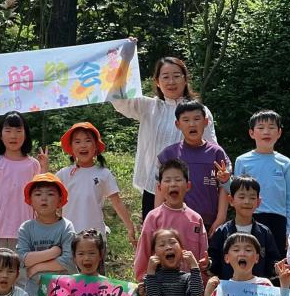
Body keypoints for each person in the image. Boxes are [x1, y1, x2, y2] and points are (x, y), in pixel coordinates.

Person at [110, 57, 217, 222]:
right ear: (157, 82)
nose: (171, 82)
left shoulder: (199, 111)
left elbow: (210, 149)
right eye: (165, 77)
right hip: (154, 187)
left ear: (185, 79)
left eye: (176, 76)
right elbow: (119, 99)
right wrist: (125, 57)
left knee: (186, 235)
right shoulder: (148, 106)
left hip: (188, 188)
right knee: (156, 234)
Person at [16, 173, 76, 296]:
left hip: (62, 294)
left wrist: (37, 267)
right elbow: (21, 258)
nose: (44, 198)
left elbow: (68, 260)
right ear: (30, 200)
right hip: (34, 293)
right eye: (38, 194)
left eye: (50, 194)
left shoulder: (66, 226)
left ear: (60, 200)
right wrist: (53, 252)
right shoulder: (26, 228)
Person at [156, 99, 232, 234]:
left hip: (209, 223)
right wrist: (158, 218)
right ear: (178, 124)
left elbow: (223, 187)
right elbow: (160, 188)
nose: (192, 124)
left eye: (197, 119)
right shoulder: (169, 154)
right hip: (174, 222)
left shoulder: (216, 153)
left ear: (206, 122)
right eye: (186, 120)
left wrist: (220, 218)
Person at [56, 122, 136, 247]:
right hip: (69, 236)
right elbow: (47, 192)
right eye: (77, 141)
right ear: (71, 147)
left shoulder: (104, 174)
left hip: (95, 237)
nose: (83, 145)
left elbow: (117, 201)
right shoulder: (64, 174)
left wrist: (130, 226)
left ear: (96, 146)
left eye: (88, 140)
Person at [133, 159, 209, 282]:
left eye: (178, 180)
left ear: (188, 186)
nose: (173, 184)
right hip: (161, 287)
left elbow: (203, 257)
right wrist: (143, 280)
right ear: (159, 187)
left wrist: (203, 281)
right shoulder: (153, 217)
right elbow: (143, 252)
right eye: (167, 180)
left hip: (190, 287)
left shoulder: (196, 219)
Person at [232, 109, 290, 257]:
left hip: (278, 219)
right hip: (250, 216)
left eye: (271, 127)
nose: (266, 132)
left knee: (276, 261)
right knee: (249, 257)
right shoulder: (242, 161)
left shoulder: (285, 162)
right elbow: (236, 193)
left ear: (279, 133)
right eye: (260, 128)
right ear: (251, 133)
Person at [0, 111, 45, 249]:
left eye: (18, 131)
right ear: (0, 135)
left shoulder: (33, 164)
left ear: (26, 134)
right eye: (8, 130)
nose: (13, 136)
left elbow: (40, 195)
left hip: (28, 231)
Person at [207, 175, 279, 280]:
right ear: (231, 200)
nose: (247, 201)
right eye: (242, 197)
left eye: (252, 198)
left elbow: (272, 260)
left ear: (258, 202)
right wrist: (208, 263)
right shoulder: (222, 231)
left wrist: (277, 268)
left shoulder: (264, 232)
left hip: (257, 288)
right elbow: (215, 261)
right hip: (228, 287)